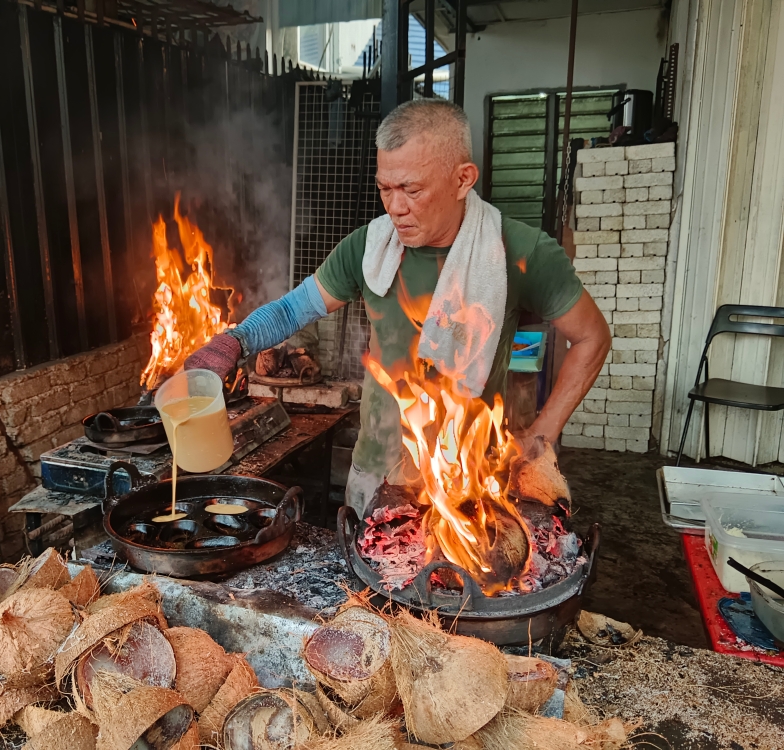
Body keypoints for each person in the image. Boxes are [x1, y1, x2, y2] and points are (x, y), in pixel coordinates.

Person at [185, 99, 611, 516]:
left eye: (411, 189)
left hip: (467, 480)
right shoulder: (370, 247)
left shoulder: (519, 251)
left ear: (463, 180)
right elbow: (294, 309)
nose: (394, 207)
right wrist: (236, 340)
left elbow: (592, 337)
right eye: (385, 188)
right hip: (374, 473)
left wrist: (541, 437)